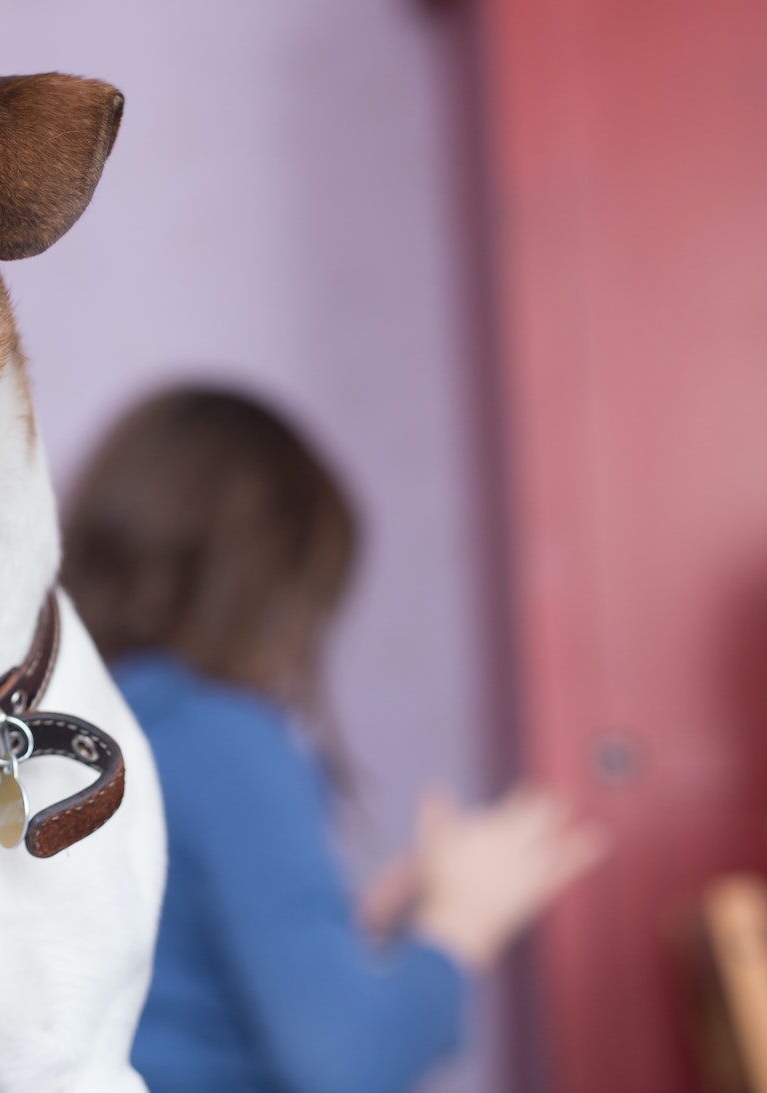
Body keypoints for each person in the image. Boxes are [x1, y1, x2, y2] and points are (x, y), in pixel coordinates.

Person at [63, 386, 606, 1093]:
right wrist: (459, 923)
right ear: (271, 582)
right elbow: (346, 1062)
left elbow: (171, 983)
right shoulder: (223, 742)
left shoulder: (55, 733)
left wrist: (352, 936)